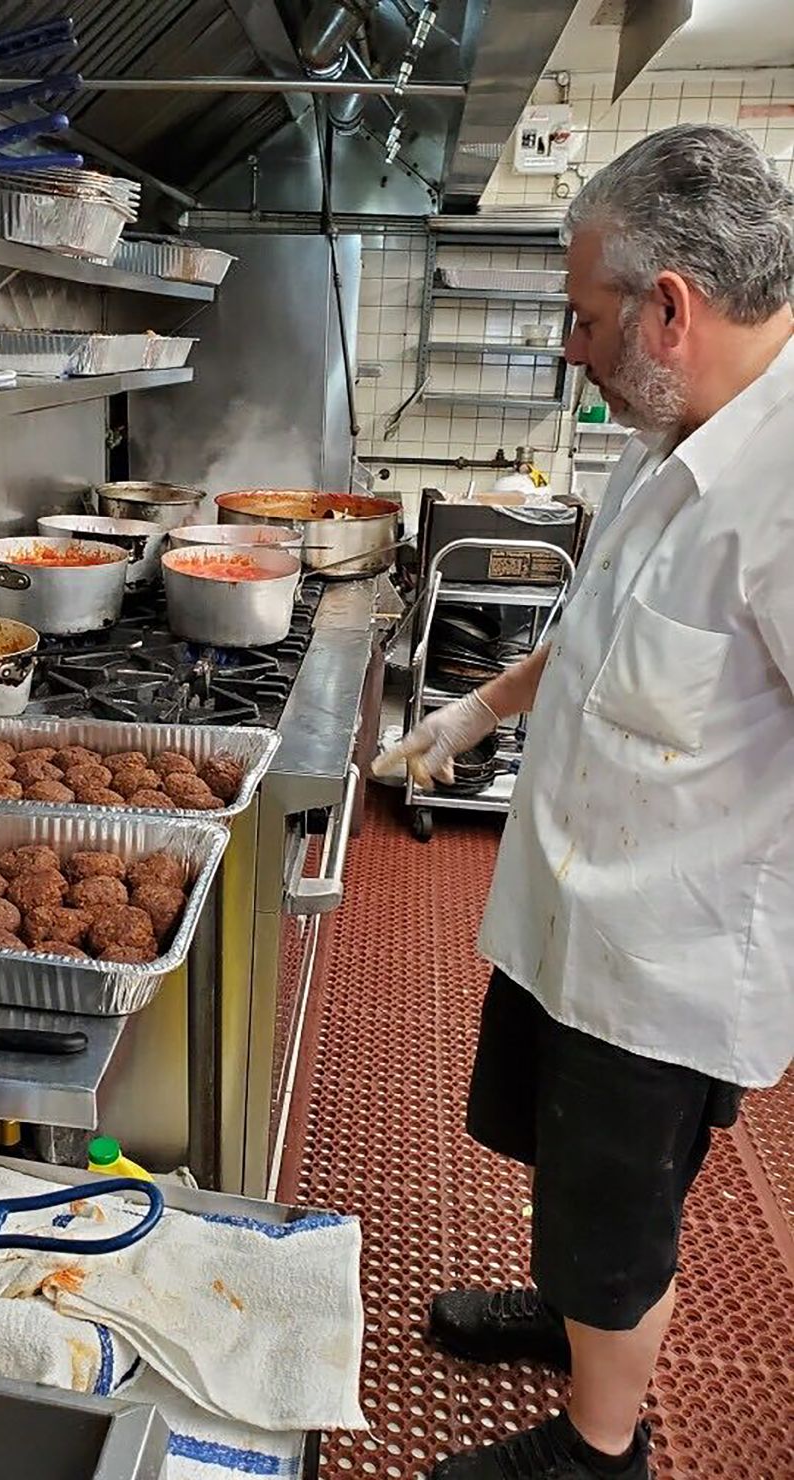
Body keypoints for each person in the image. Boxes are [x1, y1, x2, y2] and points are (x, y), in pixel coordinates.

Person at [375, 123, 794, 1479]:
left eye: (582, 313)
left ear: (667, 309)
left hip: (666, 952)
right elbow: (612, 624)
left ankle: (596, 1443)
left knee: (621, 1210)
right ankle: (572, 1323)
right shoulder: (673, 430)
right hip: (576, 908)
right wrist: (475, 710)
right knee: (566, 1165)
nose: (569, 344)